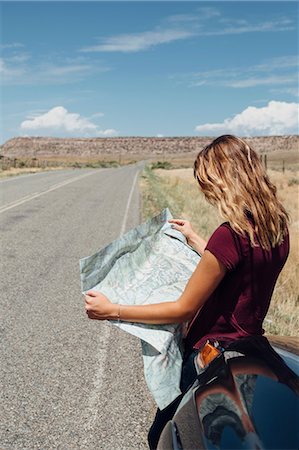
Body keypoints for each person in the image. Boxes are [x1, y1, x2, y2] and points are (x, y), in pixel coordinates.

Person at [84, 135, 290, 449]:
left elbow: (183, 308)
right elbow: (239, 271)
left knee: (166, 434)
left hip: (208, 354)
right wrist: (195, 237)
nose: (205, 191)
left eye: (207, 182)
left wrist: (112, 310)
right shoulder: (276, 226)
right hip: (248, 351)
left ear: (225, 179)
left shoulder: (230, 234)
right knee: (222, 433)